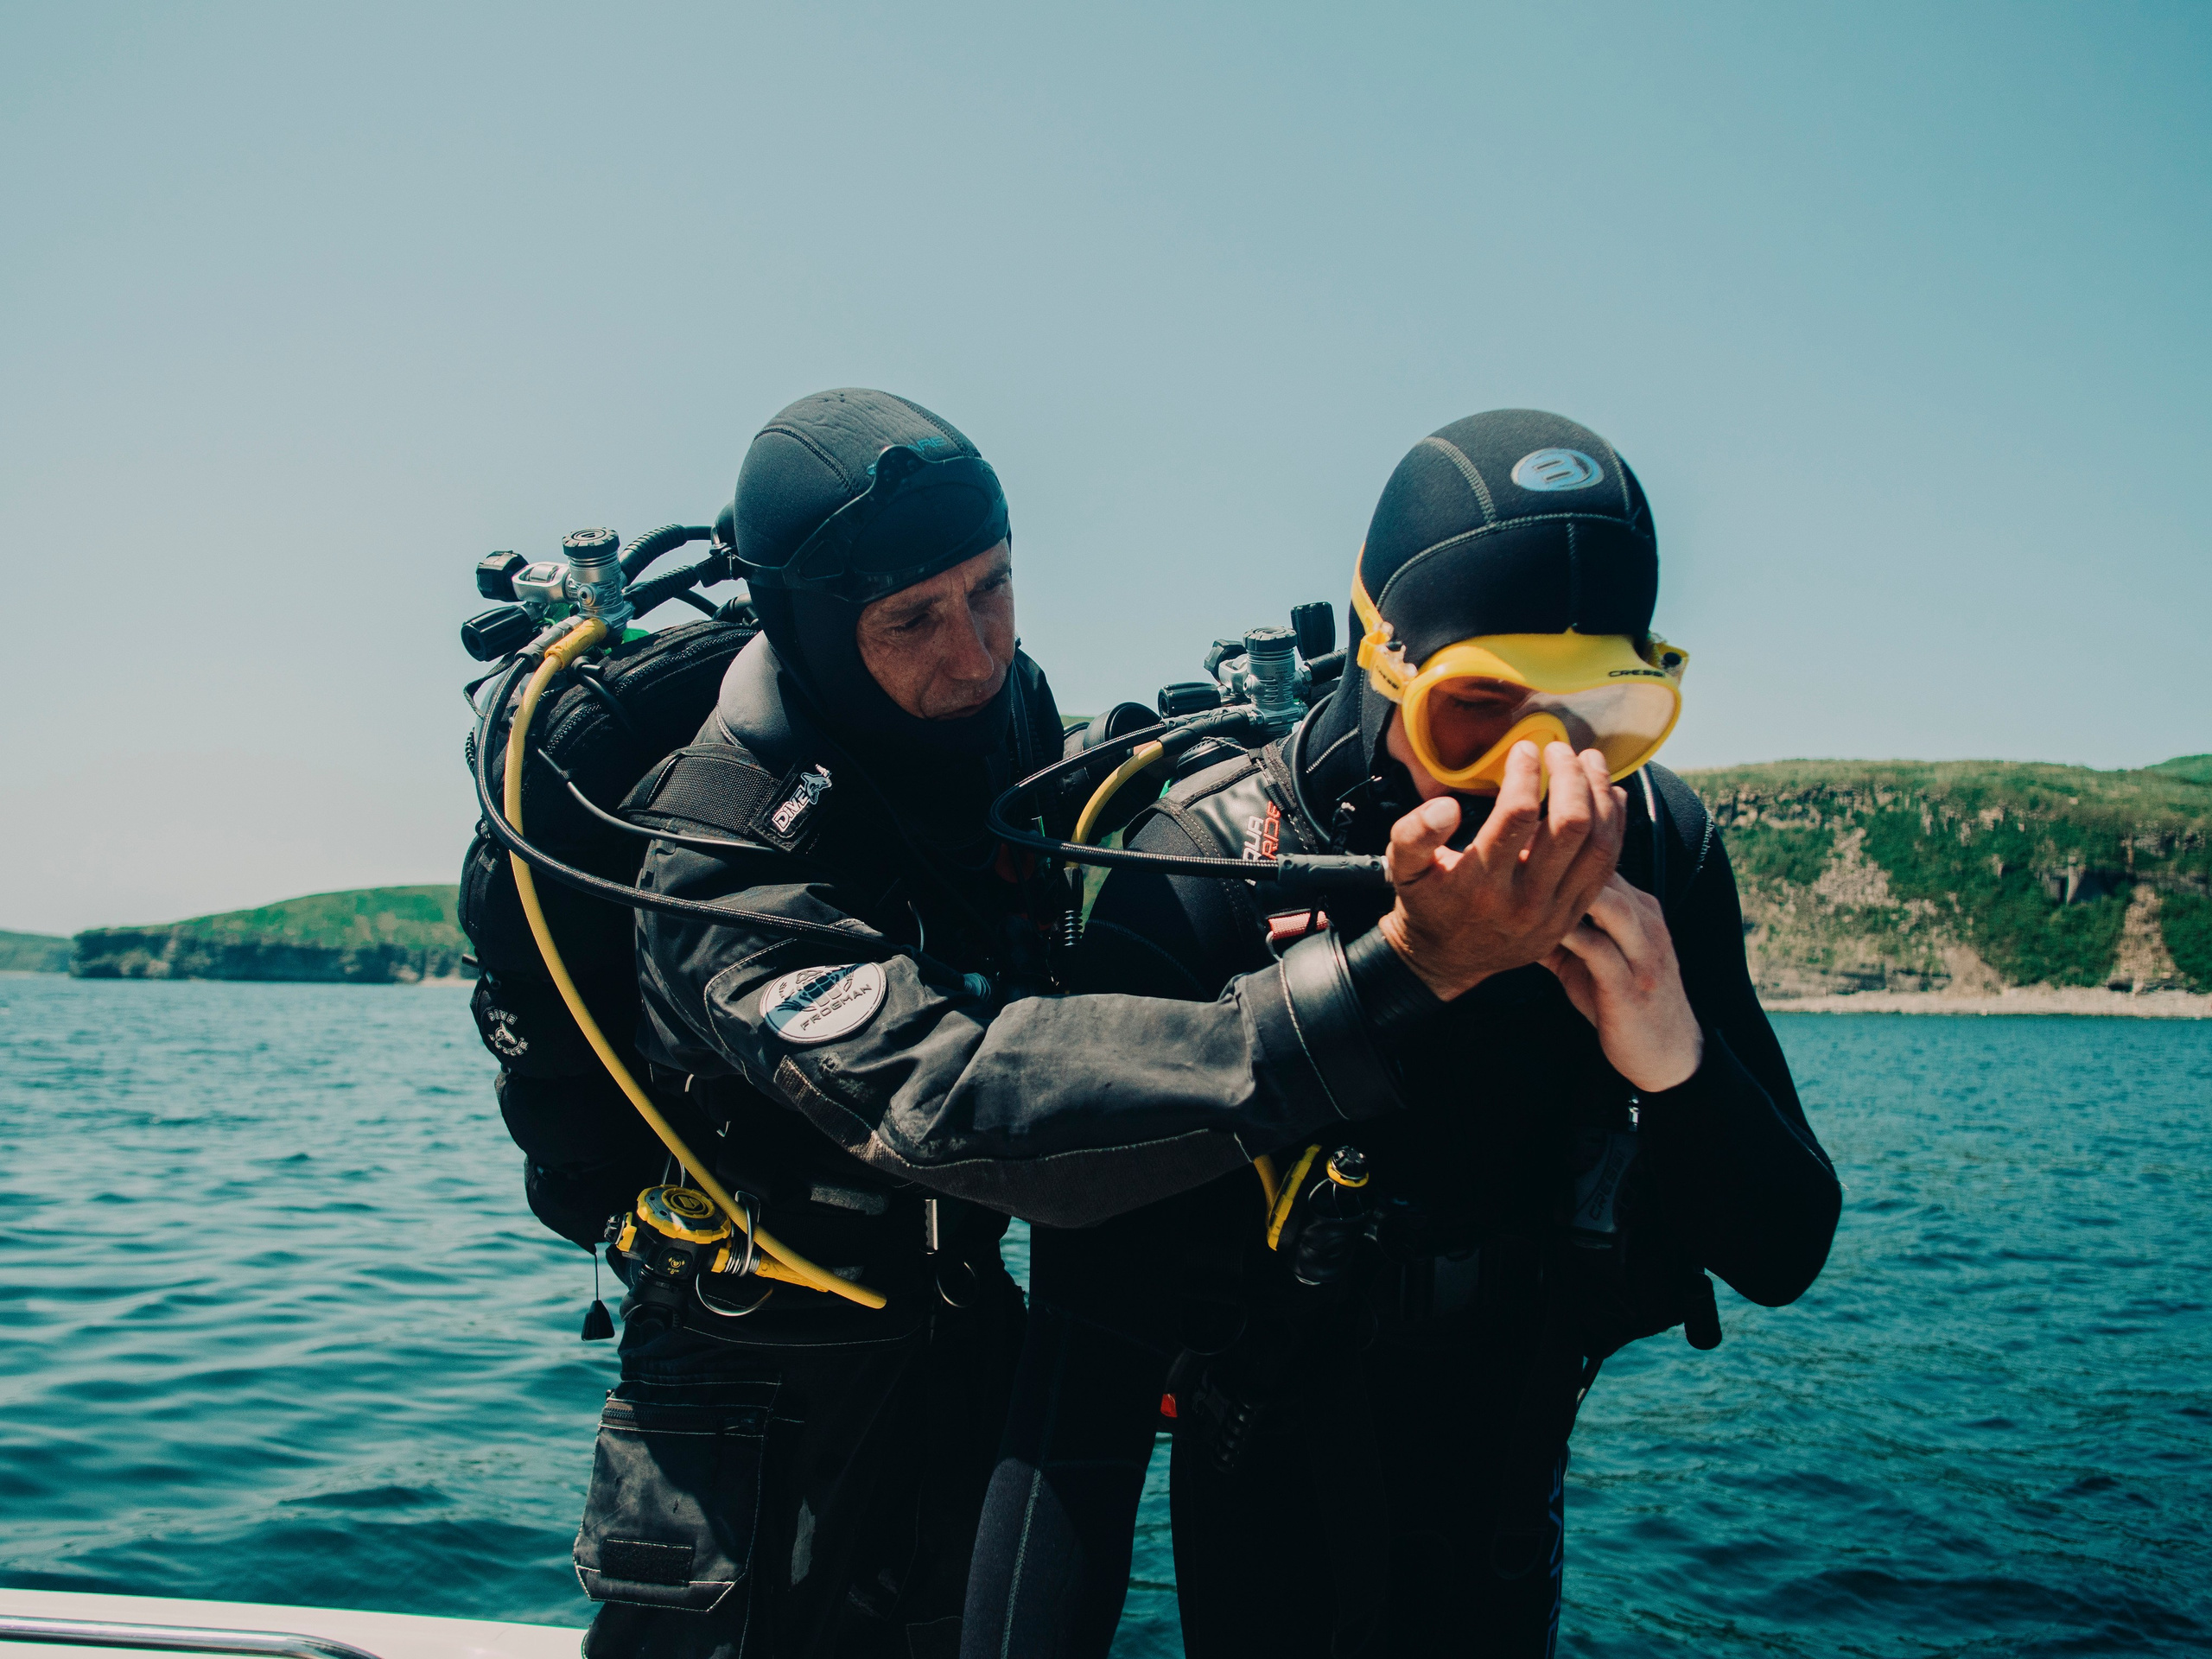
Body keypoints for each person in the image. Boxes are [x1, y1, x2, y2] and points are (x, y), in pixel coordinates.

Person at [531, 390, 1632, 1659]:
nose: (978, 651)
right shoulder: (714, 857)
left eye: (993, 588)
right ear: (811, 632)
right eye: (915, 620)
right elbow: (955, 1101)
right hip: (751, 1393)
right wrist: (1402, 975)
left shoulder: (997, 714)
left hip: (959, 1342)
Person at [960, 409, 1843, 1658]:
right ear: (1383, 665)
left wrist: (1675, 1056)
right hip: (1268, 1465)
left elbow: (1785, 1247)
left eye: (1602, 717)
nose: (1536, 777)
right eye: (1476, 714)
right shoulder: (1209, 873)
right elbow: (1080, 1387)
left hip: (1506, 1445)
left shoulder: (1655, 848)